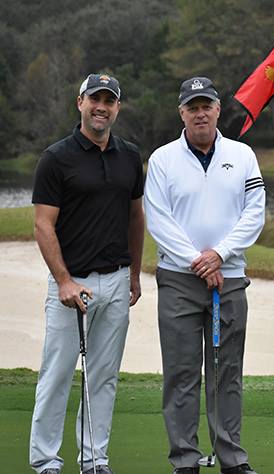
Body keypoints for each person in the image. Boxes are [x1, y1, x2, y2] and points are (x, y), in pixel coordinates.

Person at [144, 76, 265, 474]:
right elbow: (158, 219)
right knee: (181, 373)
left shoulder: (242, 155)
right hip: (179, 278)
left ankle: (231, 458)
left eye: (206, 105)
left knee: (226, 373)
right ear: (182, 112)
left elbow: (255, 213)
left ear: (217, 110)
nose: (200, 112)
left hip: (229, 279)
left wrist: (220, 254)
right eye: (192, 106)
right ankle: (185, 460)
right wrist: (199, 261)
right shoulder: (163, 159)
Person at [29, 73, 145, 474]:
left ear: (117, 107)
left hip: (116, 280)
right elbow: (43, 225)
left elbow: (135, 215)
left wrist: (134, 274)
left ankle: (95, 460)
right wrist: (62, 280)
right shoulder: (56, 158)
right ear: (79, 102)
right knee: (57, 373)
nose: (102, 106)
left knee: (104, 377)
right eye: (94, 98)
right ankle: (45, 461)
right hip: (70, 283)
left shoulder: (129, 156)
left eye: (109, 100)